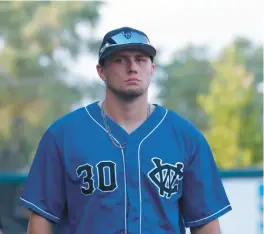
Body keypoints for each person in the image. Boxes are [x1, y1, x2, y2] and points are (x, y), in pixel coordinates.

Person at [20, 26, 232, 234]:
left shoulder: (186, 137)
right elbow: (42, 220)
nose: (132, 67)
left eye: (141, 59)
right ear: (101, 71)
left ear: (152, 69)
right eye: (120, 60)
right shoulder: (63, 135)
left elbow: (205, 223)